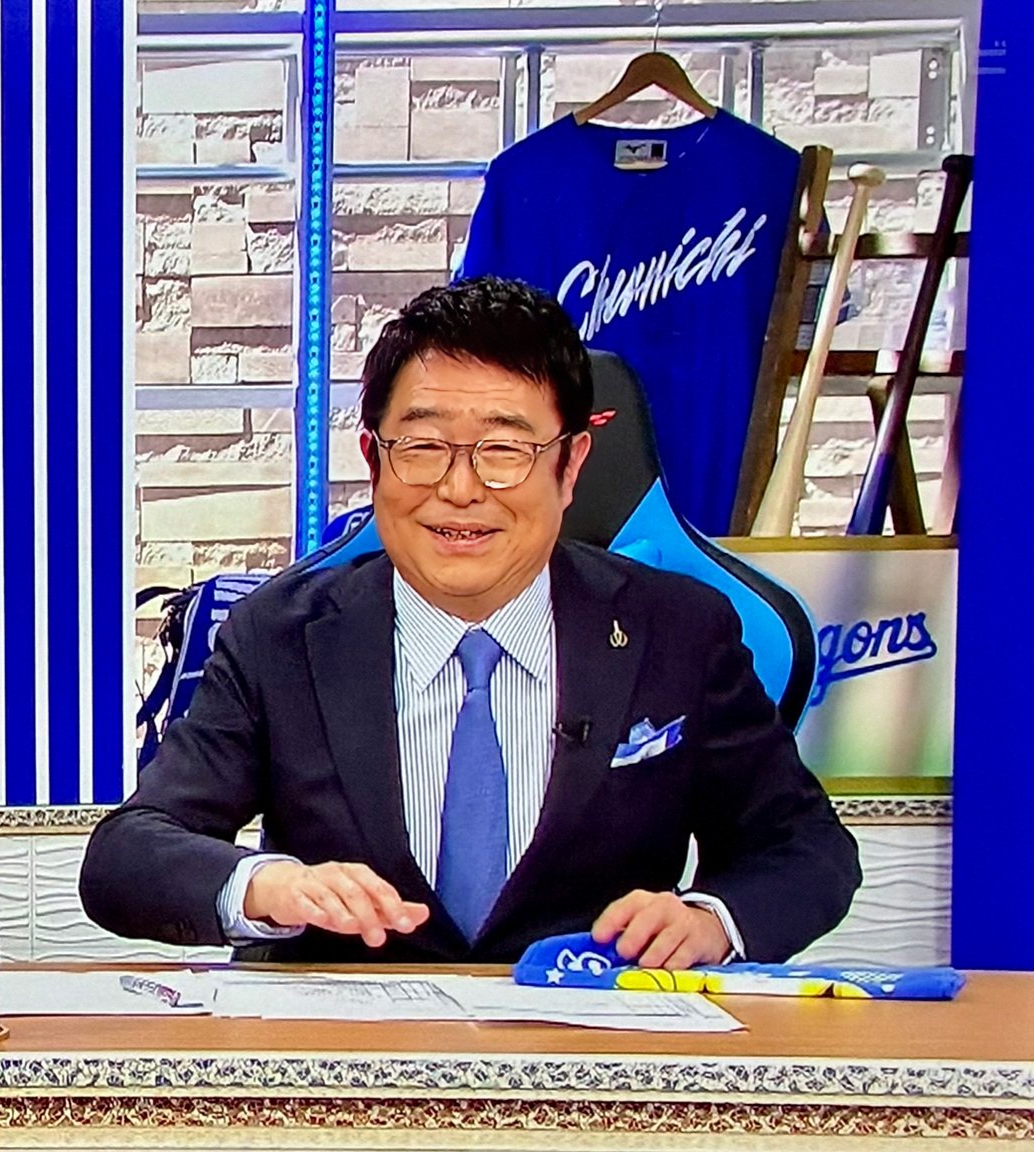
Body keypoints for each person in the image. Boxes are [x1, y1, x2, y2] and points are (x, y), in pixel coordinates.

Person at [80, 277, 860, 966]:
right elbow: (129, 854)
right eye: (422, 447)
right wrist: (265, 885)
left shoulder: (677, 629)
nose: (460, 489)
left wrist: (711, 920)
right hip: (348, 1064)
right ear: (373, 459)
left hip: (593, 1051)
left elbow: (804, 847)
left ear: (571, 465)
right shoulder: (279, 635)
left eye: (504, 450)